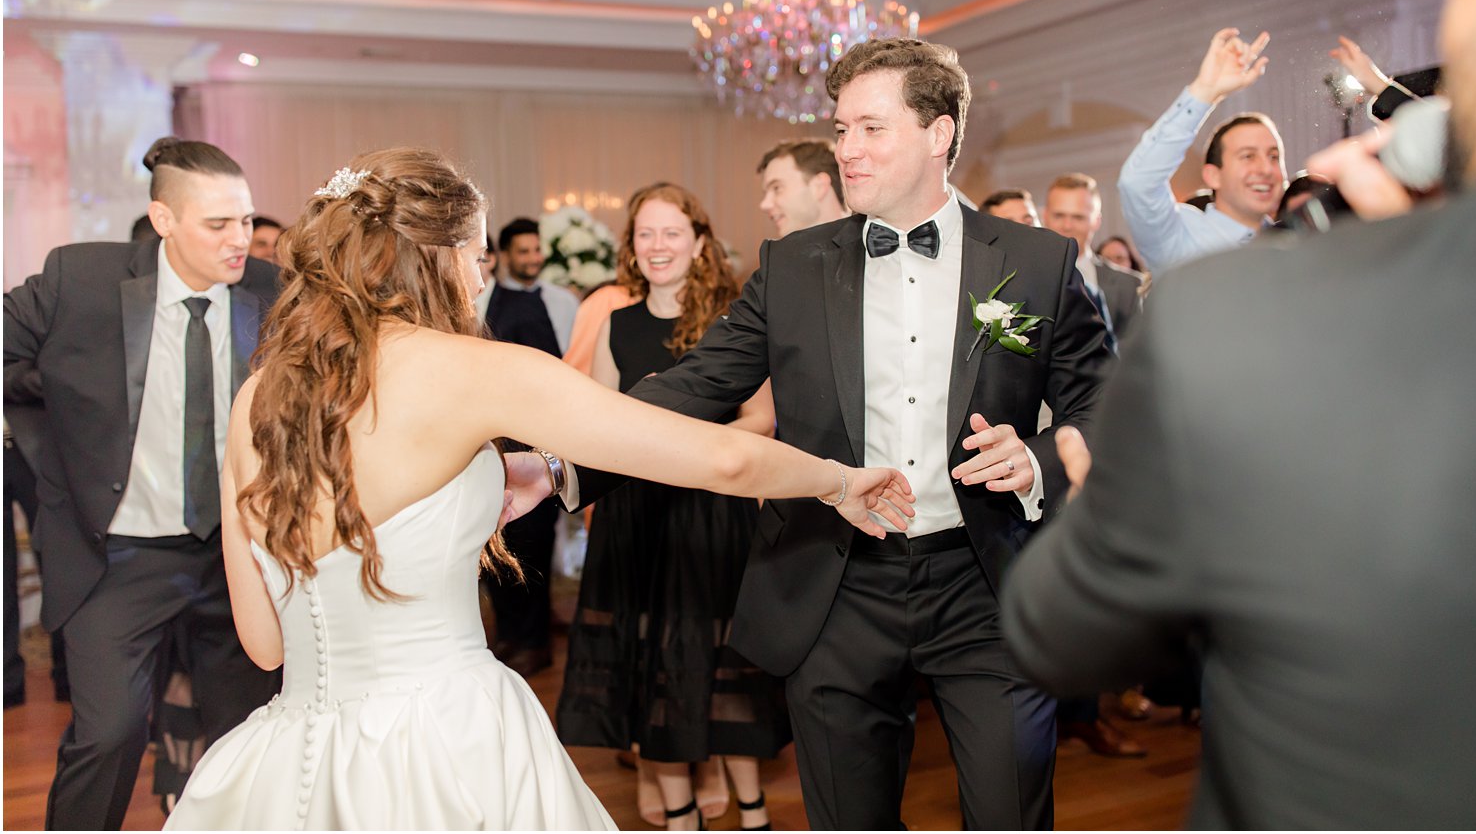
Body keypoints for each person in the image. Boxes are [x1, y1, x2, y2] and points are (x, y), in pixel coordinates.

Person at [161, 148, 913, 830]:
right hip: (448, 740)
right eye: (477, 253)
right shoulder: (476, 370)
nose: (482, 274)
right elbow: (722, 460)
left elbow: (263, 644)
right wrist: (837, 481)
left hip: (293, 760)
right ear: (439, 257)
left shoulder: (256, 398)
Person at [1001, 0, 1476, 829]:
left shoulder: (1243, 314)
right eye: (1248, 156)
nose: (1270, 166)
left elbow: (1057, 630)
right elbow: (1141, 180)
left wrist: (1086, 490)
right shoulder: (1193, 245)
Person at [571, 39, 1111, 829]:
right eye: (839, 128)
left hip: (986, 579)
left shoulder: (1036, 263)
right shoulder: (794, 265)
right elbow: (696, 385)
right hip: (834, 581)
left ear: (939, 133)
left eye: (869, 128)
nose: (844, 150)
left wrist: (1033, 459)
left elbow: (1106, 409)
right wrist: (563, 459)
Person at [4, 136, 282, 830]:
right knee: (109, 733)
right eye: (218, 224)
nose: (239, 239)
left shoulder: (271, 291)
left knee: (250, 737)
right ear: (162, 219)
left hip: (236, 552)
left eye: (246, 220)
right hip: (119, 556)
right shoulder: (81, 278)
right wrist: (47, 405)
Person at [559, 183, 789, 832]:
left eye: (671, 233)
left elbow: (763, 418)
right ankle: (681, 814)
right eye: (644, 234)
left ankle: (753, 814)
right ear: (631, 247)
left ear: (699, 241)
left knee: (725, 664)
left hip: (713, 516)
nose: (657, 246)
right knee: (652, 665)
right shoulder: (616, 322)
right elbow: (597, 423)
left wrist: (683, 447)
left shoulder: (733, 317)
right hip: (637, 519)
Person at [1118, 28, 1286, 274]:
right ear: (1212, 175)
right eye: (1248, 156)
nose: (1266, 169)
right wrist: (1204, 93)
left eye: (1274, 157)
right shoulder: (1181, 237)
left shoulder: (1297, 243)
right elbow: (1138, 183)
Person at [1042, 174, 1146, 345]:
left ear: (1097, 221)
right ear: (1045, 216)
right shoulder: (1021, 276)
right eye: (1059, 215)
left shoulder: (1129, 286)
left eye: (1078, 217)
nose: (1067, 226)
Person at [497, 217, 578, 355]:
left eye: (537, 250)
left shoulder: (565, 300)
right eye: (524, 252)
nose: (534, 259)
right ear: (505, 257)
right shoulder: (494, 303)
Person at [757, 138, 848, 237]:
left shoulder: (864, 249)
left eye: (777, 188)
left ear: (819, 186)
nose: (764, 205)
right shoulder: (784, 251)